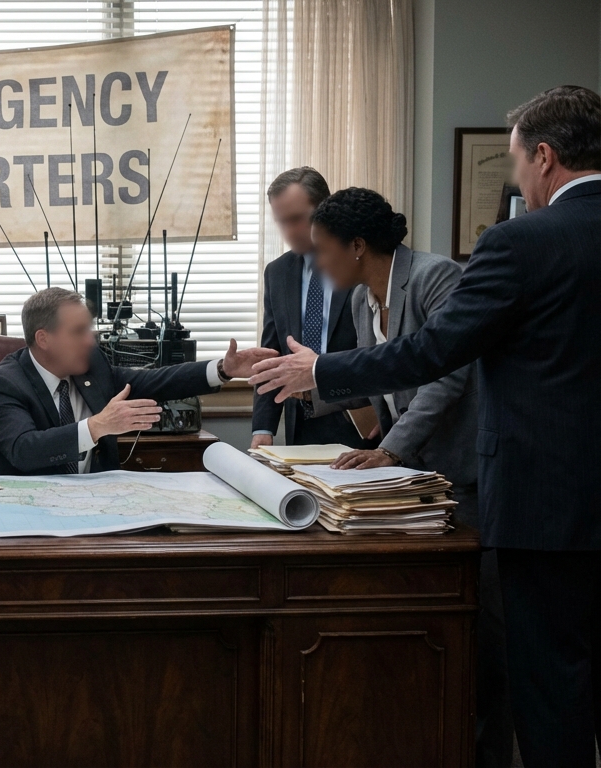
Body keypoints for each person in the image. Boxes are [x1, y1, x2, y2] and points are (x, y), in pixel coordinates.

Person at [249, 85, 601, 766]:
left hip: (544, 504)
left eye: (517, 162)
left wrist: (323, 373)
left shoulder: (519, 242)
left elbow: (438, 355)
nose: (517, 178)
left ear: (546, 157)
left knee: (550, 687)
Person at [309, 187, 511, 766]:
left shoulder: (434, 278)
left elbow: (446, 376)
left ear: (357, 245)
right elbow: (377, 377)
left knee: (486, 628)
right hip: (414, 478)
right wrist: (310, 387)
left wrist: (391, 450)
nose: (318, 265)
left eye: (324, 251)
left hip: (463, 471)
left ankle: (492, 752)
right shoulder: (356, 302)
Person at [0, 287, 277, 475]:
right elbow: (24, 450)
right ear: (43, 338)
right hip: (21, 515)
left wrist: (223, 369)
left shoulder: (91, 367)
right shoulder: (4, 384)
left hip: (94, 505)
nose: (90, 340)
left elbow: (157, 381)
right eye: (79, 332)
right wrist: (97, 427)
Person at [251, 167, 371, 453]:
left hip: (361, 424)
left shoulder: (360, 259)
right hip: (300, 427)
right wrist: (263, 428)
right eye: (282, 222)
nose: (290, 232)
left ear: (325, 209)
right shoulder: (277, 272)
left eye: (297, 219)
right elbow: (273, 355)